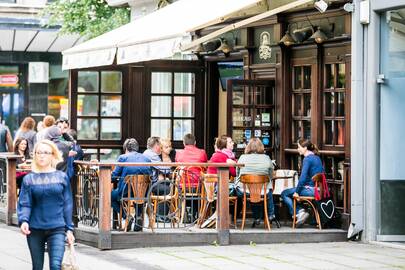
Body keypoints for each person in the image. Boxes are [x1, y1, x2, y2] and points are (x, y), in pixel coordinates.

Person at [17, 140, 74, 270]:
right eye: (39, 152)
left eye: (46, 152)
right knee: (37, 267)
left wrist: (69, 229)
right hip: (35, 229)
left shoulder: (62, 177)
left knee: (56, 266)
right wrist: (24, 221)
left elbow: (67, 204)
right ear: (35, 155)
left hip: (58, 228)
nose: (42, 155)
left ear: (53, 155)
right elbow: (25, 203)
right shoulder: (28, 179)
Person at [281, 138, 324, 226]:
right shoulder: (317, 157)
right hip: (319, 190)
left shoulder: (307, 159)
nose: (298, 149)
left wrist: (297, 192)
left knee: (284, 193)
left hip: (311, 190)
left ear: (305, 148)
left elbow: (303, 178)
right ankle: (300, 212)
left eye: (299, 147)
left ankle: (299, 212)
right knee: (290, 193)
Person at [234, 138, 276, 228]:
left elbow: (237, 173)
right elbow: (271, 175)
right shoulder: (266, 158)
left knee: (252, 193)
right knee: (267, 191)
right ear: (261, 147)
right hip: (263, 191)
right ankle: (271, 214)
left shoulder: (242, 157)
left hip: (244, 190)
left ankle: (256, 218)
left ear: (248, 147)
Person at [111, 138, 151, 231]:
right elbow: (151, 176)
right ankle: (138, 216)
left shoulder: (123, 158)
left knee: (110, 196)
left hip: (125, 192)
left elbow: (113, 177)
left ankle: (127, 216)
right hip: (143, 193)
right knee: (138, 196)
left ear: (126, 149)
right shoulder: (146, 159)